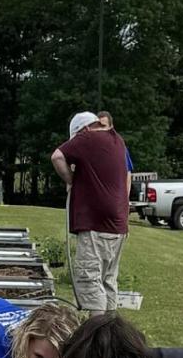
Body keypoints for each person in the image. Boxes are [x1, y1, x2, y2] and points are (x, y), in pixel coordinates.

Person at [52, 110, 130, 313]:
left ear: (84, 129)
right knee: (108, 280)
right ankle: (111, 335)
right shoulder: (117, 140)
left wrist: (71, 180)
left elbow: (57, 157)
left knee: (90, 281)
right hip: (119, 225)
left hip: (96, 224)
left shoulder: (87, 137)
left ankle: (97, 338)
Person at [97, 110, 134, 176]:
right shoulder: (92, 148)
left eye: (103, 126)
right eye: (98, 126)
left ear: (111, 127)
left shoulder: (120, 148)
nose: (100, 129)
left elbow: (127, 173)